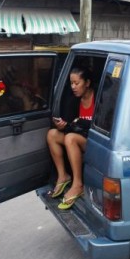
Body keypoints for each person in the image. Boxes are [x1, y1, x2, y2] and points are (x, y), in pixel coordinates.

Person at [46, 66, 95, 210]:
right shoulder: (74, 100)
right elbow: (71, 125)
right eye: (71, 83)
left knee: (70, 138)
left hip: (93, 142)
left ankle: (78, 184)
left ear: (87, 83)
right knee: (52, 134)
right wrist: (63, 126)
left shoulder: (99, 98)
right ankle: (63, 176)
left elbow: (99, 124)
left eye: (76, 83)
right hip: (79, 136)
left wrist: (78, 123)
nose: (73, 87)